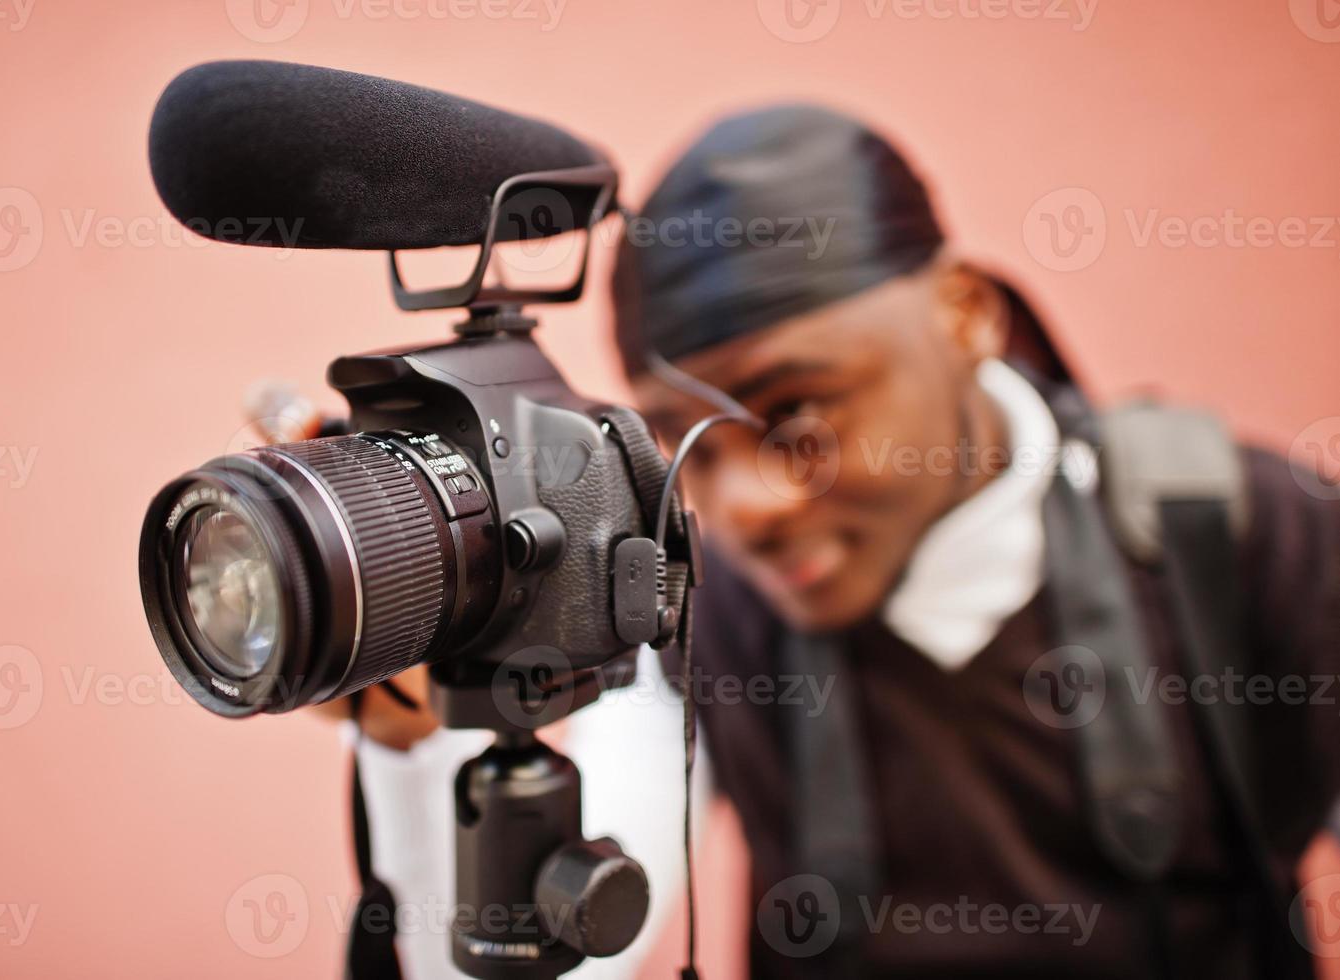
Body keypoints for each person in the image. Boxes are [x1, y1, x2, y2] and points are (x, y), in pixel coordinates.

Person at [352, 104, 1340, 979]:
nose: (742, 510)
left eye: (798, 419)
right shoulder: (684, 606)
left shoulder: (1250, 532)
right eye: (686, 445)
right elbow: (550, 967)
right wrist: (411, 739)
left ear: (962, 315)